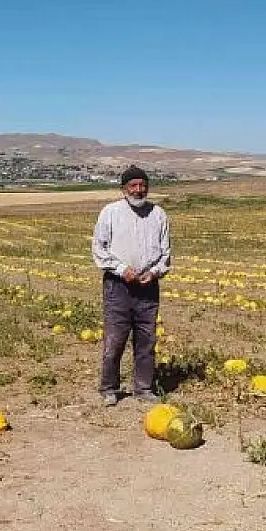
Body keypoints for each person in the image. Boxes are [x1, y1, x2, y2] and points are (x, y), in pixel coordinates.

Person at [91, 165, 172, 406]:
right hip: (118, 287)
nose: (138, 190)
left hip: (148, 286)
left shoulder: (159, 214)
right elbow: (99, 248)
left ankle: (143, 388)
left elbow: (165, 253)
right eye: (133, 186)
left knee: (146, 339)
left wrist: (155, 272)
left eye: (142, 185)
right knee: (115, 339)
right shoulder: (110, 213)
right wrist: (120, 269)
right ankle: (109, 388)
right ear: (123, 189)